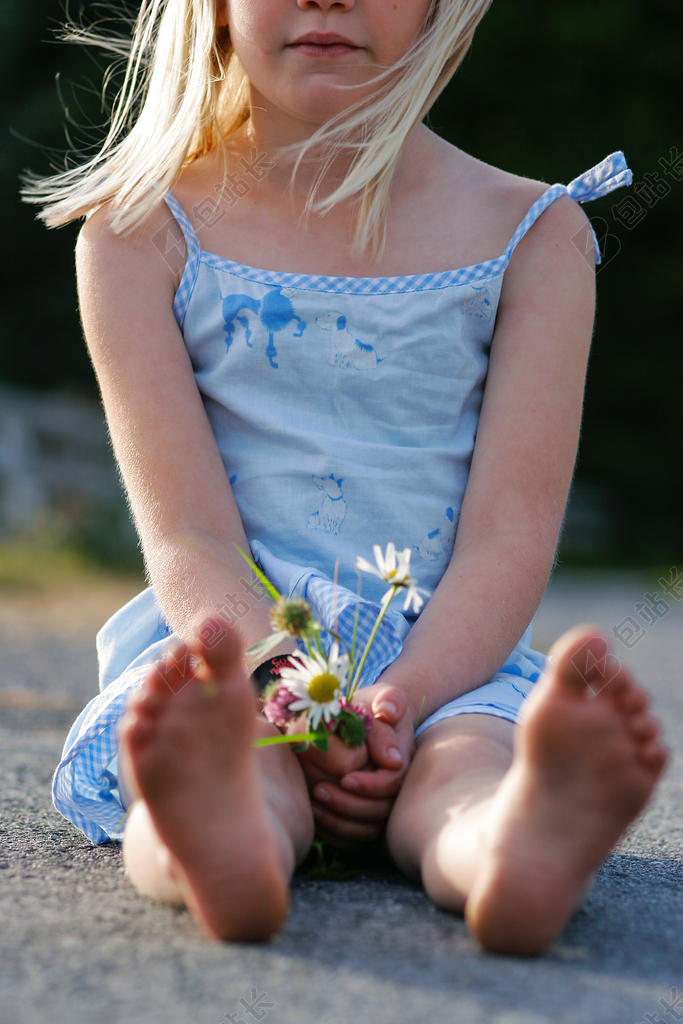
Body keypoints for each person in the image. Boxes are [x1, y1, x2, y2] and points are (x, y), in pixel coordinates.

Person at [21, 0, 668, 955]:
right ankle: (222, 839)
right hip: (240, 656)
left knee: (471, 766)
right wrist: (289, 687)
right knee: (221, 753)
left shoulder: (535, 235)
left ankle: (512, 850)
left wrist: (398, 699)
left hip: (448, 663)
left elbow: (507, 538)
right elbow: (189, 535)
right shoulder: (140, 232)